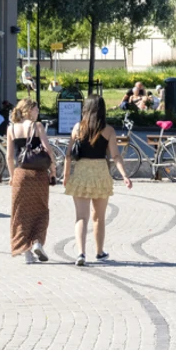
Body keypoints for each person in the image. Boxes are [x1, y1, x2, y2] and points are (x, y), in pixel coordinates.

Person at [60, 94, 131, 267]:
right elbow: (115, 156)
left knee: (81, 217)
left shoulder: (77, 128)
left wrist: (66, 175)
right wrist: (124, 175)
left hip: (82, 172)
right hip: (100, 172)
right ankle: (99, 251)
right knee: (99, 217)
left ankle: (80, 253)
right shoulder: (108, 130)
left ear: (86, 108)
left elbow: (68, 154)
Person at [6, 99, 52, 265]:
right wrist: (53, 170)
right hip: (39, 175)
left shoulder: (11, 128)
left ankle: (26, 253)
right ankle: (37, 242)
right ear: (28, 110)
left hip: (20, 175)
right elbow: (48, 150)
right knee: (41, 211)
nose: (38, 111)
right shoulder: (37, 127)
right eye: (36, 108)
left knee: (20, 214)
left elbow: (10, 157)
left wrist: (12, 176)